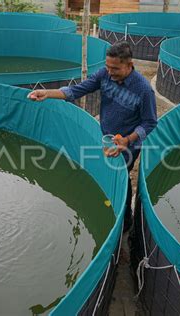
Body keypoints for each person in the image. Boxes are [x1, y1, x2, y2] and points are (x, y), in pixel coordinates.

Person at [28, 41, 157, 229]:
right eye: (107, 67)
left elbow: (150, 122)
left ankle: (125, 221)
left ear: (130, 65)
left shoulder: (144, 90)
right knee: (108, 170)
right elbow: (77, 90)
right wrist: (47, 93)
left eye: (115, 68)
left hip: (128, 145)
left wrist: (128, 140)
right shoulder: (104, 75)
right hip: (106, 137)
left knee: (122, 176)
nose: (110, 72)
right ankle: (111, 207)